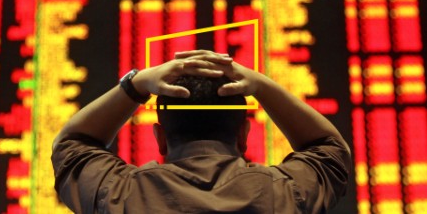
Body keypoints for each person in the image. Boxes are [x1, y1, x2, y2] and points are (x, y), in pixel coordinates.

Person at [52, 50, 351, 213]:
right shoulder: (285, 193)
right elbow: (328, 149)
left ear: (160, 138)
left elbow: (73, 143)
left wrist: (136, 84)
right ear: (243, 135)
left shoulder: (119, 195)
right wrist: (261, 84)